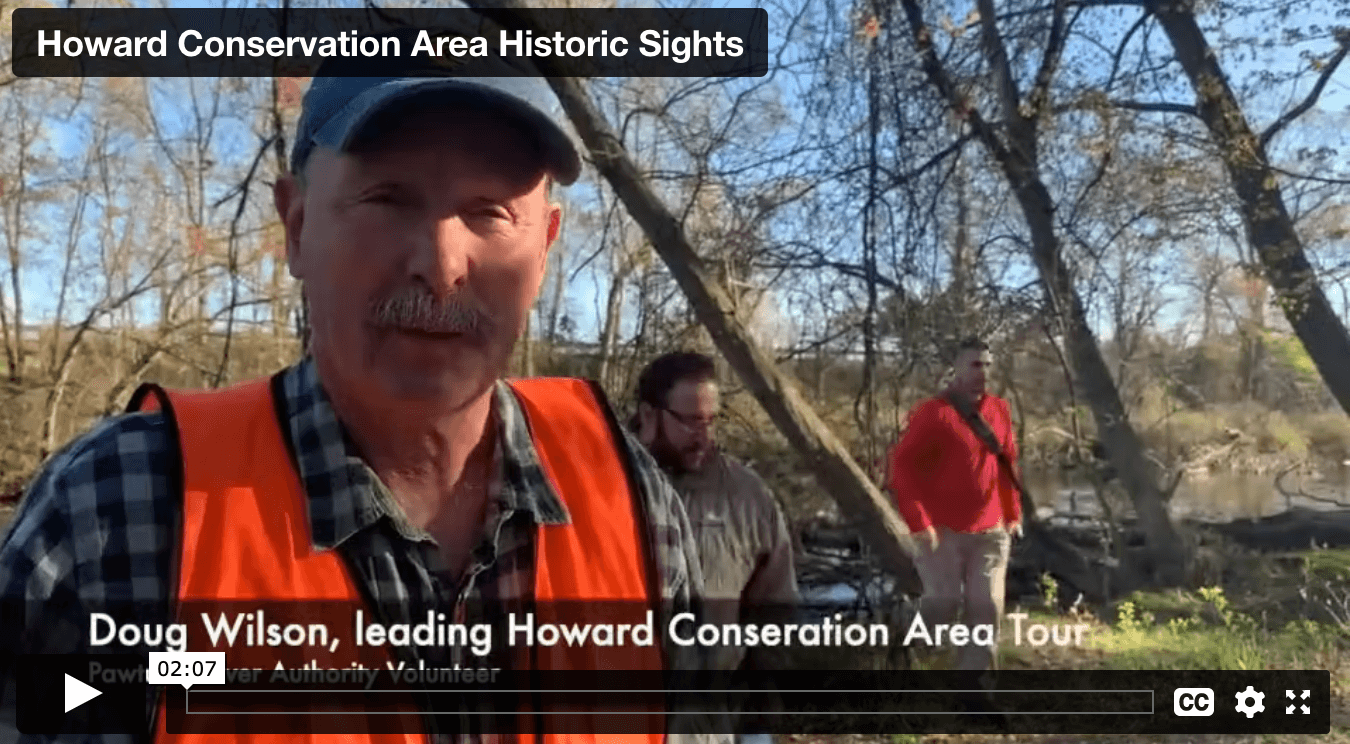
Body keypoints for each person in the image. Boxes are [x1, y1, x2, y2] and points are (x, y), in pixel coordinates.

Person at [0, 51, 711, 743]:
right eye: (387, 199)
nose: (439, 266)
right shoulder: (113, 514)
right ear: (299, 227)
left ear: (546, 248)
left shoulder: (633, 505)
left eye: (489, 212)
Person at [632, 352, 799, 663]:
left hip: (711, 703)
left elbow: (775, 616)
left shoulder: (747, 497)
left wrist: (763, 699)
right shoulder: (605, 489)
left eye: (711, 421)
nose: (704, 437)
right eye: (692, 422)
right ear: (649, 415)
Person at [886, 337, 1022, 673]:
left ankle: (972, 690)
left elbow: (1008, 463)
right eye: (975, 364)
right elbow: (901, 467)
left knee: (986, 607)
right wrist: (919, 522)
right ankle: (903, 625)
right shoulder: (934, 413)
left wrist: (1013, 513)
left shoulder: (1000, 409)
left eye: (988, 365)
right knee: (942, 607)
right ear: (957, 369)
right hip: (941, 532)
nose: (983, 372)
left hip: (991, 531)